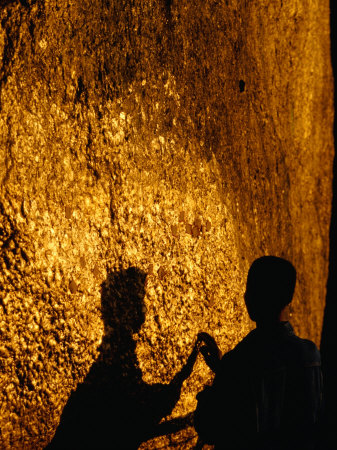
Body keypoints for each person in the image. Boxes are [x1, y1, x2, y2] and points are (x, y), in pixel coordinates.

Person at [194, 256, 323, 450]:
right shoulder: (311, 355)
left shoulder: (239, 361)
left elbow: (209, 428)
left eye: (250, 291)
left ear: (251, 299)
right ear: (288, 300)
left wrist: (210, 391)